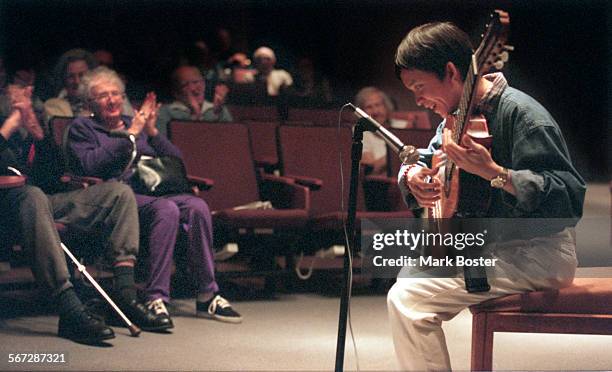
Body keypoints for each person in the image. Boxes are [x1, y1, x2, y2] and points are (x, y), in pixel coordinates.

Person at [387, 22, 585, 370]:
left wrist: (496, 173)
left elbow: (569, 200)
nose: (416, 99)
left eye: (419, 87)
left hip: (539, 253)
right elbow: (427, 158)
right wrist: (413, 174)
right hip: (492, 248)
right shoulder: (454, 118)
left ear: (451, 72)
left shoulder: (522, 115)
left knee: (409, 299)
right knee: (409, 278)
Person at [67, 67, 242, 324]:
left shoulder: (133, 123)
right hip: (116, 197)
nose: (112, 100)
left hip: (151, 190)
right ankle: (156, 296)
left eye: (116, 93)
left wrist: (151, 131)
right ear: (90, 104)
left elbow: (175, 160)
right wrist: (132, 134)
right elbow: (90, 165)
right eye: (103, 96)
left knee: (196, 206)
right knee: (166, 210)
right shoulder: (82, 128)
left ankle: (207, 295)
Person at [0, 84, 171, 345]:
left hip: (42, 198)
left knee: (118, 194)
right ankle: (68, 307)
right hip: (11, 202)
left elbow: (55, 174)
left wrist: (35, 132)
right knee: (32, 197)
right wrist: (13, 121)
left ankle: (125, 294)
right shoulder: (8, 128)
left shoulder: (23, 134)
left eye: (20, 99)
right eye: (14, 101)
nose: (19, 103)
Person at [43, 48, 133, 122]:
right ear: (64, 79)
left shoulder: (113, 97)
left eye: (82, 75)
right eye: (71, 76)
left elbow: (129, 122)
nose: (77, 81)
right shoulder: (54, 105)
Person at [156, 65, 233, 137]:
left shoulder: (217, 110)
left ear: (204, 84)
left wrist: (218, 114)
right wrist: (194, 115)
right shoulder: (165, 112)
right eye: (185, 85)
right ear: (176, 93)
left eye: (196, 82)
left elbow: (231, 138)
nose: (194, 88)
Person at [355, 86, 407, 175]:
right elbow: (371, 170)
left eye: (378, 105)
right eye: (369, 107)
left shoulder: (404, 127)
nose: (375, 111)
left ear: (386, 106)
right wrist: (402, 153)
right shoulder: (359, 131)